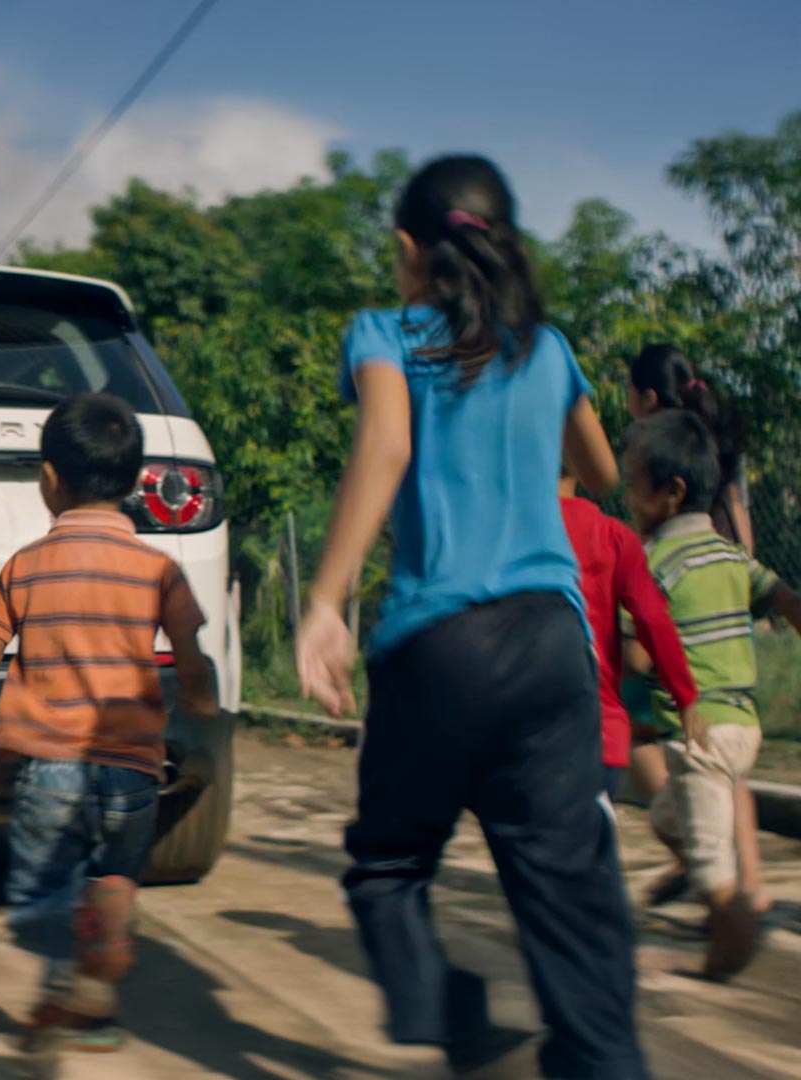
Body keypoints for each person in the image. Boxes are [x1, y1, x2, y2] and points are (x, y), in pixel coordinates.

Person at [295, 156, 646, 1079]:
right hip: (550, 647)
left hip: (438, 646)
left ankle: (444, 1014)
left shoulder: (384, 335)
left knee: (389, 867)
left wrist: (326, 599)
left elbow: (388, 442)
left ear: (409, 249)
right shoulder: (551, 350)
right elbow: (604, 475)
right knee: (573, 903)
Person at [0, 393, 218, 1057]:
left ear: (50, 479)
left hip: (49, 766)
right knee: (114, 873)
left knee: (46, 892)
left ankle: (64, 987)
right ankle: (96, 990)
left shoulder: (23, 567)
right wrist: (204, 718)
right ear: (135, 481)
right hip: (133, 764)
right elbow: (194, 663)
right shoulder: (159, 569)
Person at [618, 411, 801, 979]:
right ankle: (712, 878)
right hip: (742, 728)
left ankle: (724, 954)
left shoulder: (654, 564)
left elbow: (639, 658)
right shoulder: (731, 556)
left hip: (702, 736)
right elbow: (787, 601)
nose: (625, 499)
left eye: (631, 486)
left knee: (713, 870)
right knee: (668, 816)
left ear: (670, 492)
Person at [622, 345, 772, 914]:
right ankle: (743, 882)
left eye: (630, 394)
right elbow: (745, 538)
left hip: (674, 613)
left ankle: (707, 870)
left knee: (652, 734)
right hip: (726, 607)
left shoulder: (659, 458)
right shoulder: (710, 448)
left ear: (648, 401)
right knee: (725, 755)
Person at [558, 468, 699, 800]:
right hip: (600, 734)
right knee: (588, 844)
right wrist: (685, 697)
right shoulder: (614, 535)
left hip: (522, 734)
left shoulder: (508, 534)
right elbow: (652, 619)